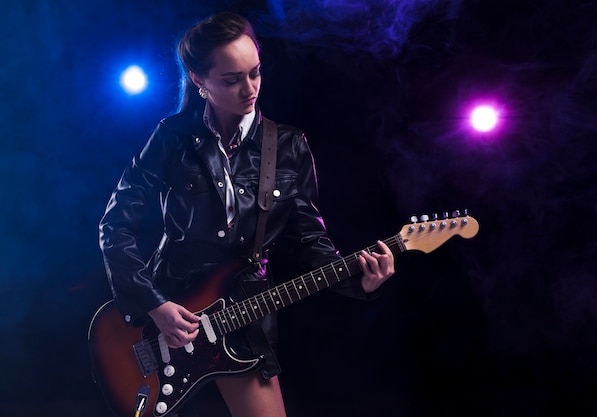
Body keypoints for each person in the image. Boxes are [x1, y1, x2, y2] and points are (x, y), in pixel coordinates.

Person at [98, 11, 395, 417]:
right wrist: (154, 305)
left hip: (243, 320)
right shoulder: (172, 136)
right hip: (166, 314)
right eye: (232, 79)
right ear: (199, 80)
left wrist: (363, 280)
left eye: (255, 73)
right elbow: (115, 227)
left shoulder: (288, 145)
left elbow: (309, 240)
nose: (250, 88)